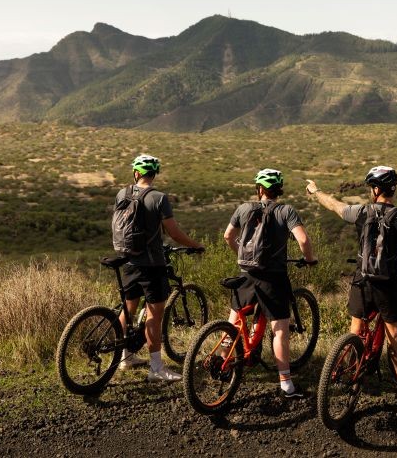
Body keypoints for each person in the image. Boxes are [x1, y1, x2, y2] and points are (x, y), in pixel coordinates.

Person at [306, 166, 397, 403]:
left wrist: (315, 191)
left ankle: (347, 371)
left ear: (376, 189)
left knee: (355, 331)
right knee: (395, 337)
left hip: (361, 280)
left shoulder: (360, 212)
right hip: (388, 285)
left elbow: (335, 206)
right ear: (391, 189)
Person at [223, 168, 318, 398]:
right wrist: (309, 259)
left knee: (235, 319)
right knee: (280, 330)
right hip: (273, 277)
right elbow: (303, 239)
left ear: (259, 189)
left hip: (245, 273)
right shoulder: (286, 211)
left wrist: (241, 256)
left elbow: (228, 236)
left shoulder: (244, 208)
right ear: (279, 190)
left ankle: (223, 360)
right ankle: (286, 383)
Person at [116, 154, 204, 381]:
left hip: (127, 259)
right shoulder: (158, 197)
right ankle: (156, 368)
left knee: (128, 309)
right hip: (152, 264)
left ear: (136, 173)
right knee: (155, 315)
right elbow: (173, 233)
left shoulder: (122, 193)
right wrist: (196, 245)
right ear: (154, 174)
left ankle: (123, 357)